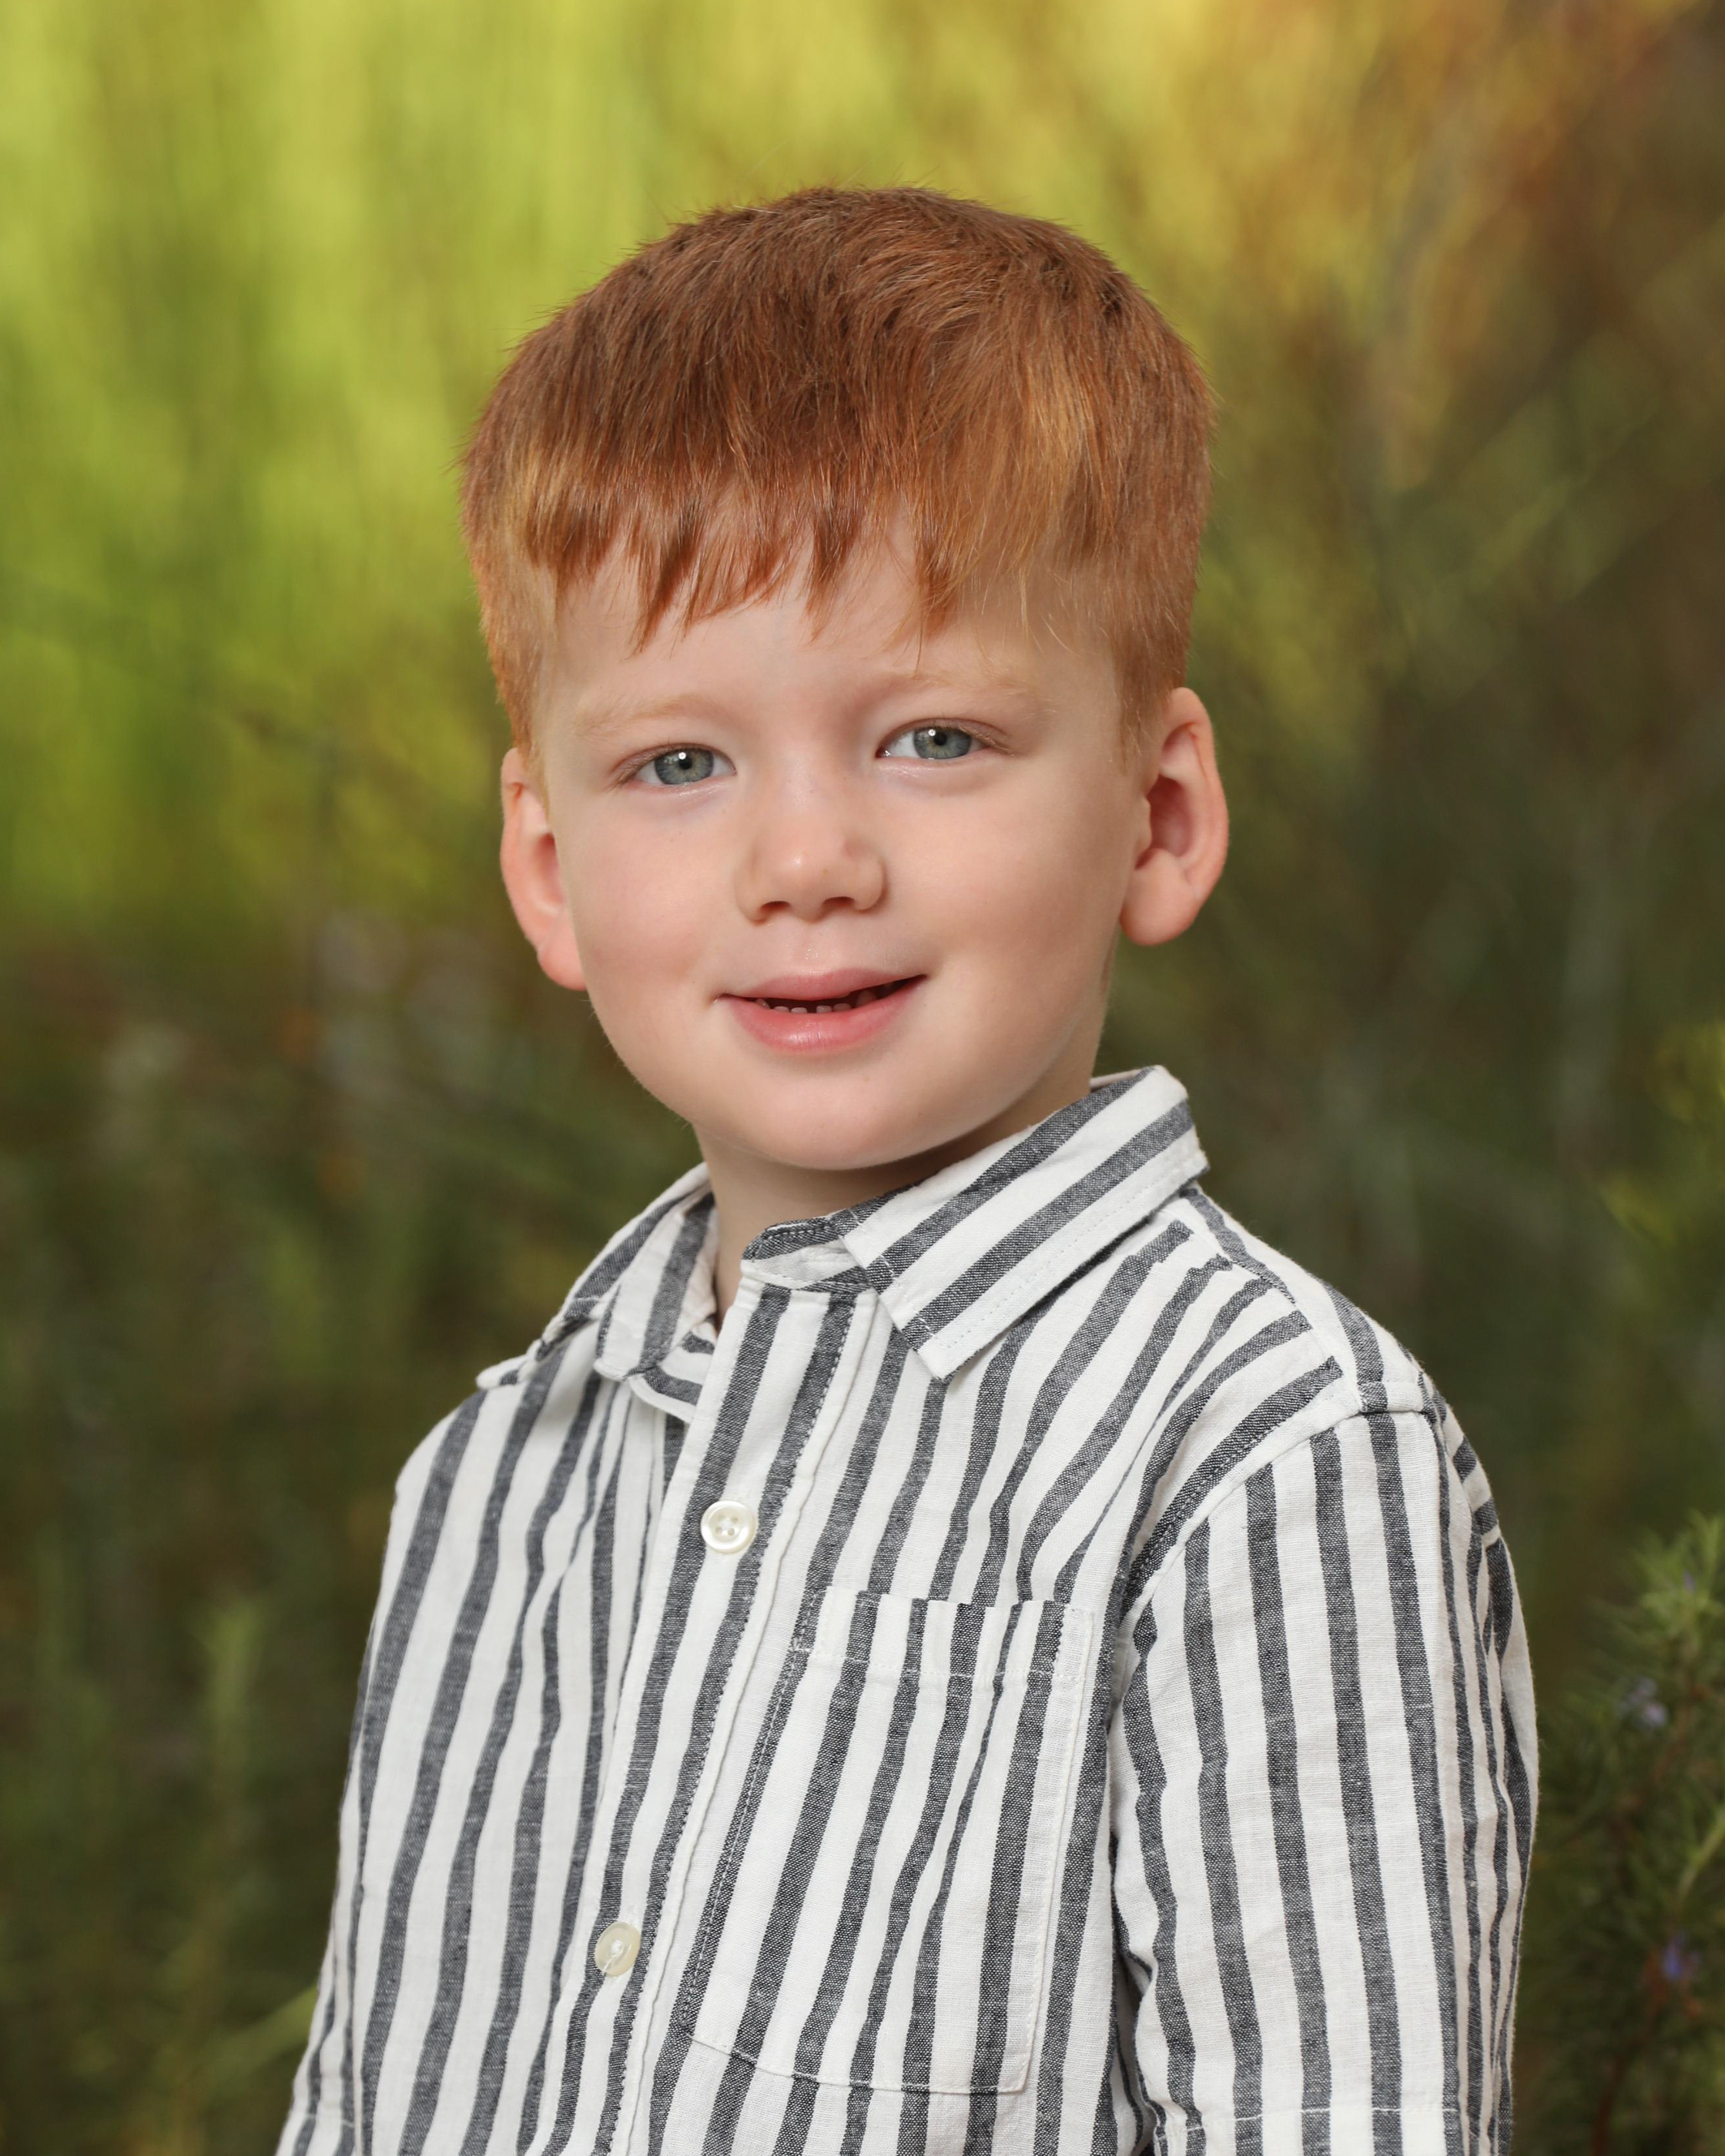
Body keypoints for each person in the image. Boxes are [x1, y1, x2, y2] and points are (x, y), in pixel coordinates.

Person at [278, 186, 1535, 2156]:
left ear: (1158, 813)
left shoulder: (1267, 1459)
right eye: (679, 763)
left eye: (933, 737)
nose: (806, 860)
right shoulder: (498, 1479)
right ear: (546, 866)